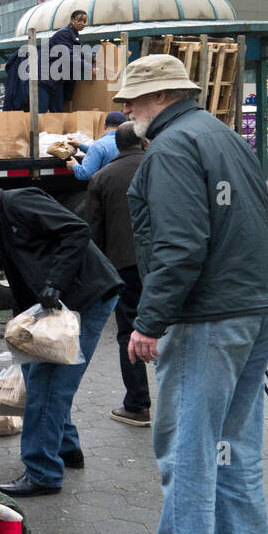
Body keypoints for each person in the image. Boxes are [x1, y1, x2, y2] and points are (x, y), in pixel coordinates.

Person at [118, 54, 268, 534]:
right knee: (234, 441)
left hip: (210, 314)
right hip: (254, 306)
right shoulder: (221, 134)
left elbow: (181, 246)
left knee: (187, 442)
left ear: (158, 97)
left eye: (132, 101)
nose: (127, 111)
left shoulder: (171, 147)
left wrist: (149, 322)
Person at [0, 173, 121, 497]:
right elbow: (23, 277)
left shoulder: (19, 201)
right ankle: (67, 449)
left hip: (85, 298)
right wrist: (22, 327)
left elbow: (76, 230)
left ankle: (42, 471)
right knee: (39, 374)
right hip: (65, 303)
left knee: (48, 383)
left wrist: (55, 282)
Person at [85, 122, 151, 426]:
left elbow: (95, 234)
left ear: (115, 145)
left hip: (126, 265)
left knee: (129, 331)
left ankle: (137, 405)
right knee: (177, 329)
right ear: (142, 142)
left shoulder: (101, 178)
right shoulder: (160, 166)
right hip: (166, 261)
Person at [41, 10, 88, 113]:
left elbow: (77, 53)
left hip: (57, 81)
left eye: (84, 21)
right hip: (46, 81)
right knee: (43, 113)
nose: (82, 24)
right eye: (79, 20)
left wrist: (92, 57)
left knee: (58, 112)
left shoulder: (73, 35)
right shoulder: (64, 34)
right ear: (72, 20)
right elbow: (69, 55)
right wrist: (89, 68)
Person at [66, 110, 126, 181]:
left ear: (104, 126)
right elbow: (101, 152)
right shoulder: (131, 143)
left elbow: (85, 174)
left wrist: (74, 166)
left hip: (106, 189)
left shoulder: (99, 146)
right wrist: (80, 145)